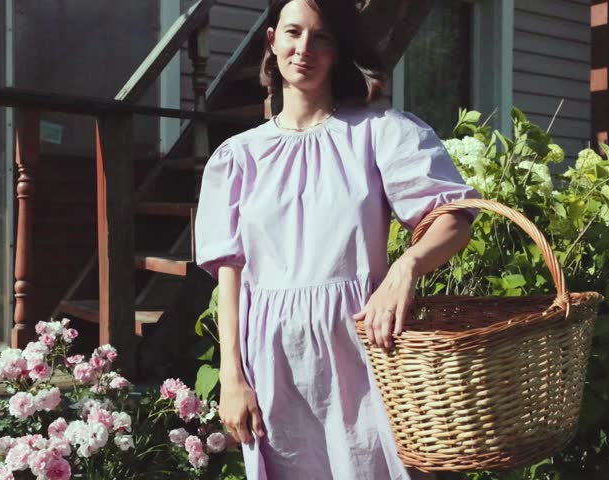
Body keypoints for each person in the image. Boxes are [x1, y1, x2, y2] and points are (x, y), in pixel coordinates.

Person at [194, 0, 481, 478]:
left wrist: (405, 268)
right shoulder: (236, 158)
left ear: (338, 50)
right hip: (272, 367)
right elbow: (231, 271)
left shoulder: (380, 134)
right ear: (272, 42)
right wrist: (232, 376)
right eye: (292, 33)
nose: (303, 48)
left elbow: (453, 219)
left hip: (362, 358)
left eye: (321, 36)